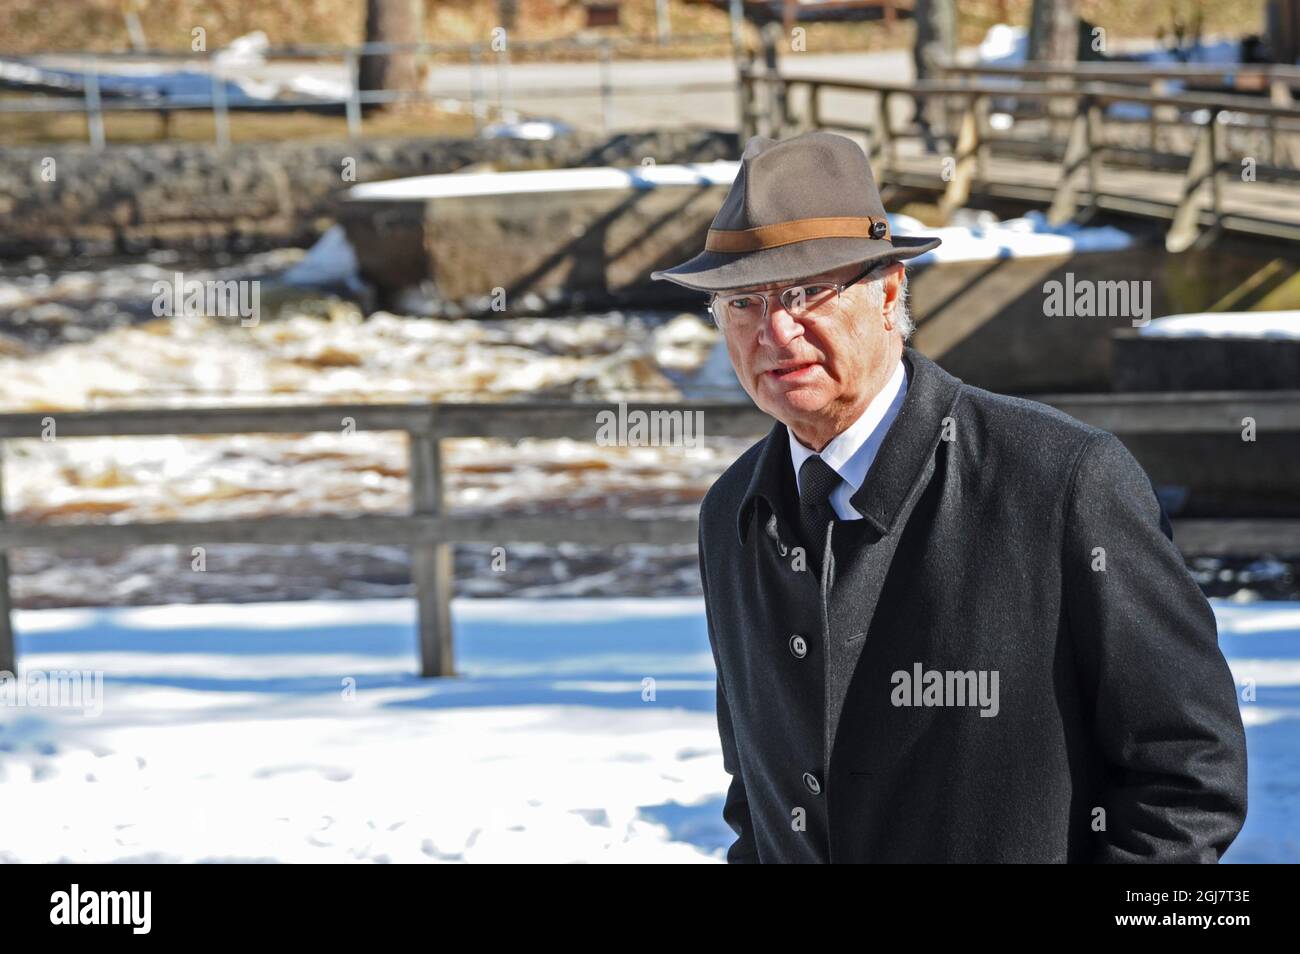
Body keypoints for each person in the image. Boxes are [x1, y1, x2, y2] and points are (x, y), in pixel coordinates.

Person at [650, 130, 1248, 863]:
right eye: (742, 302)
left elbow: (1190, 774)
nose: (776, 331)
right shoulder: (731, 514)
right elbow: (759, 796)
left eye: (806, 292)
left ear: (889, 291)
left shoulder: (1062, 479)